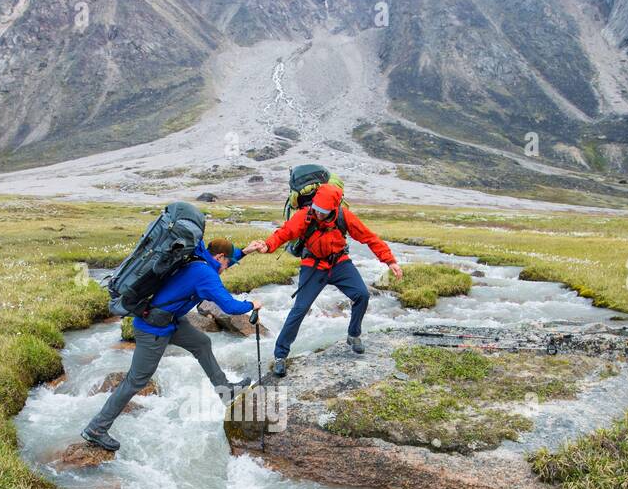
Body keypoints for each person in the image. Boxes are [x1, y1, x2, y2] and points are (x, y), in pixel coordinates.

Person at [81, 238, 262, 451]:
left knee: (201, 343)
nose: (226, 267)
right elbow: (230, 306)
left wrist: (246, 251)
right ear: (219, 257)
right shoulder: (205, 274)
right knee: (136, 381)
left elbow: (221, 264)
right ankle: (97, 428)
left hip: (172, 321)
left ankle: (225, 391)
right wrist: (252, 304)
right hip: (153, 329)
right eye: (227, 262)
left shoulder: (199, 256)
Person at [244, 182, 402, 376]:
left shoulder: (344, 216)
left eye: (323, 211)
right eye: (316, 209)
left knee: (361, 294)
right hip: (313, 266)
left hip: (339, 263)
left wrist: (390, 261)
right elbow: (284, 233)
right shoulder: (305, 215)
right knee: (300, 309)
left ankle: (353, 335)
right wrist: (267, 246)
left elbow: (369, 238)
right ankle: (280, 355)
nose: (318, 213)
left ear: (334, 208)